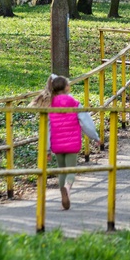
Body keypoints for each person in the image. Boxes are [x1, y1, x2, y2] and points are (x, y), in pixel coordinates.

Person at [30, 75, 101, 210]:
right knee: (71, 170)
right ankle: (67, 188)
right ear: (67, 87)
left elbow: (47, 129)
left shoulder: (49, 106)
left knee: (61, 170)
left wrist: (47, 149)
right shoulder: (75, 104)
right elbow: (86, 123)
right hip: (72, 144)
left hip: (57, 144)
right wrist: (95, 137)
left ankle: (62, 192)